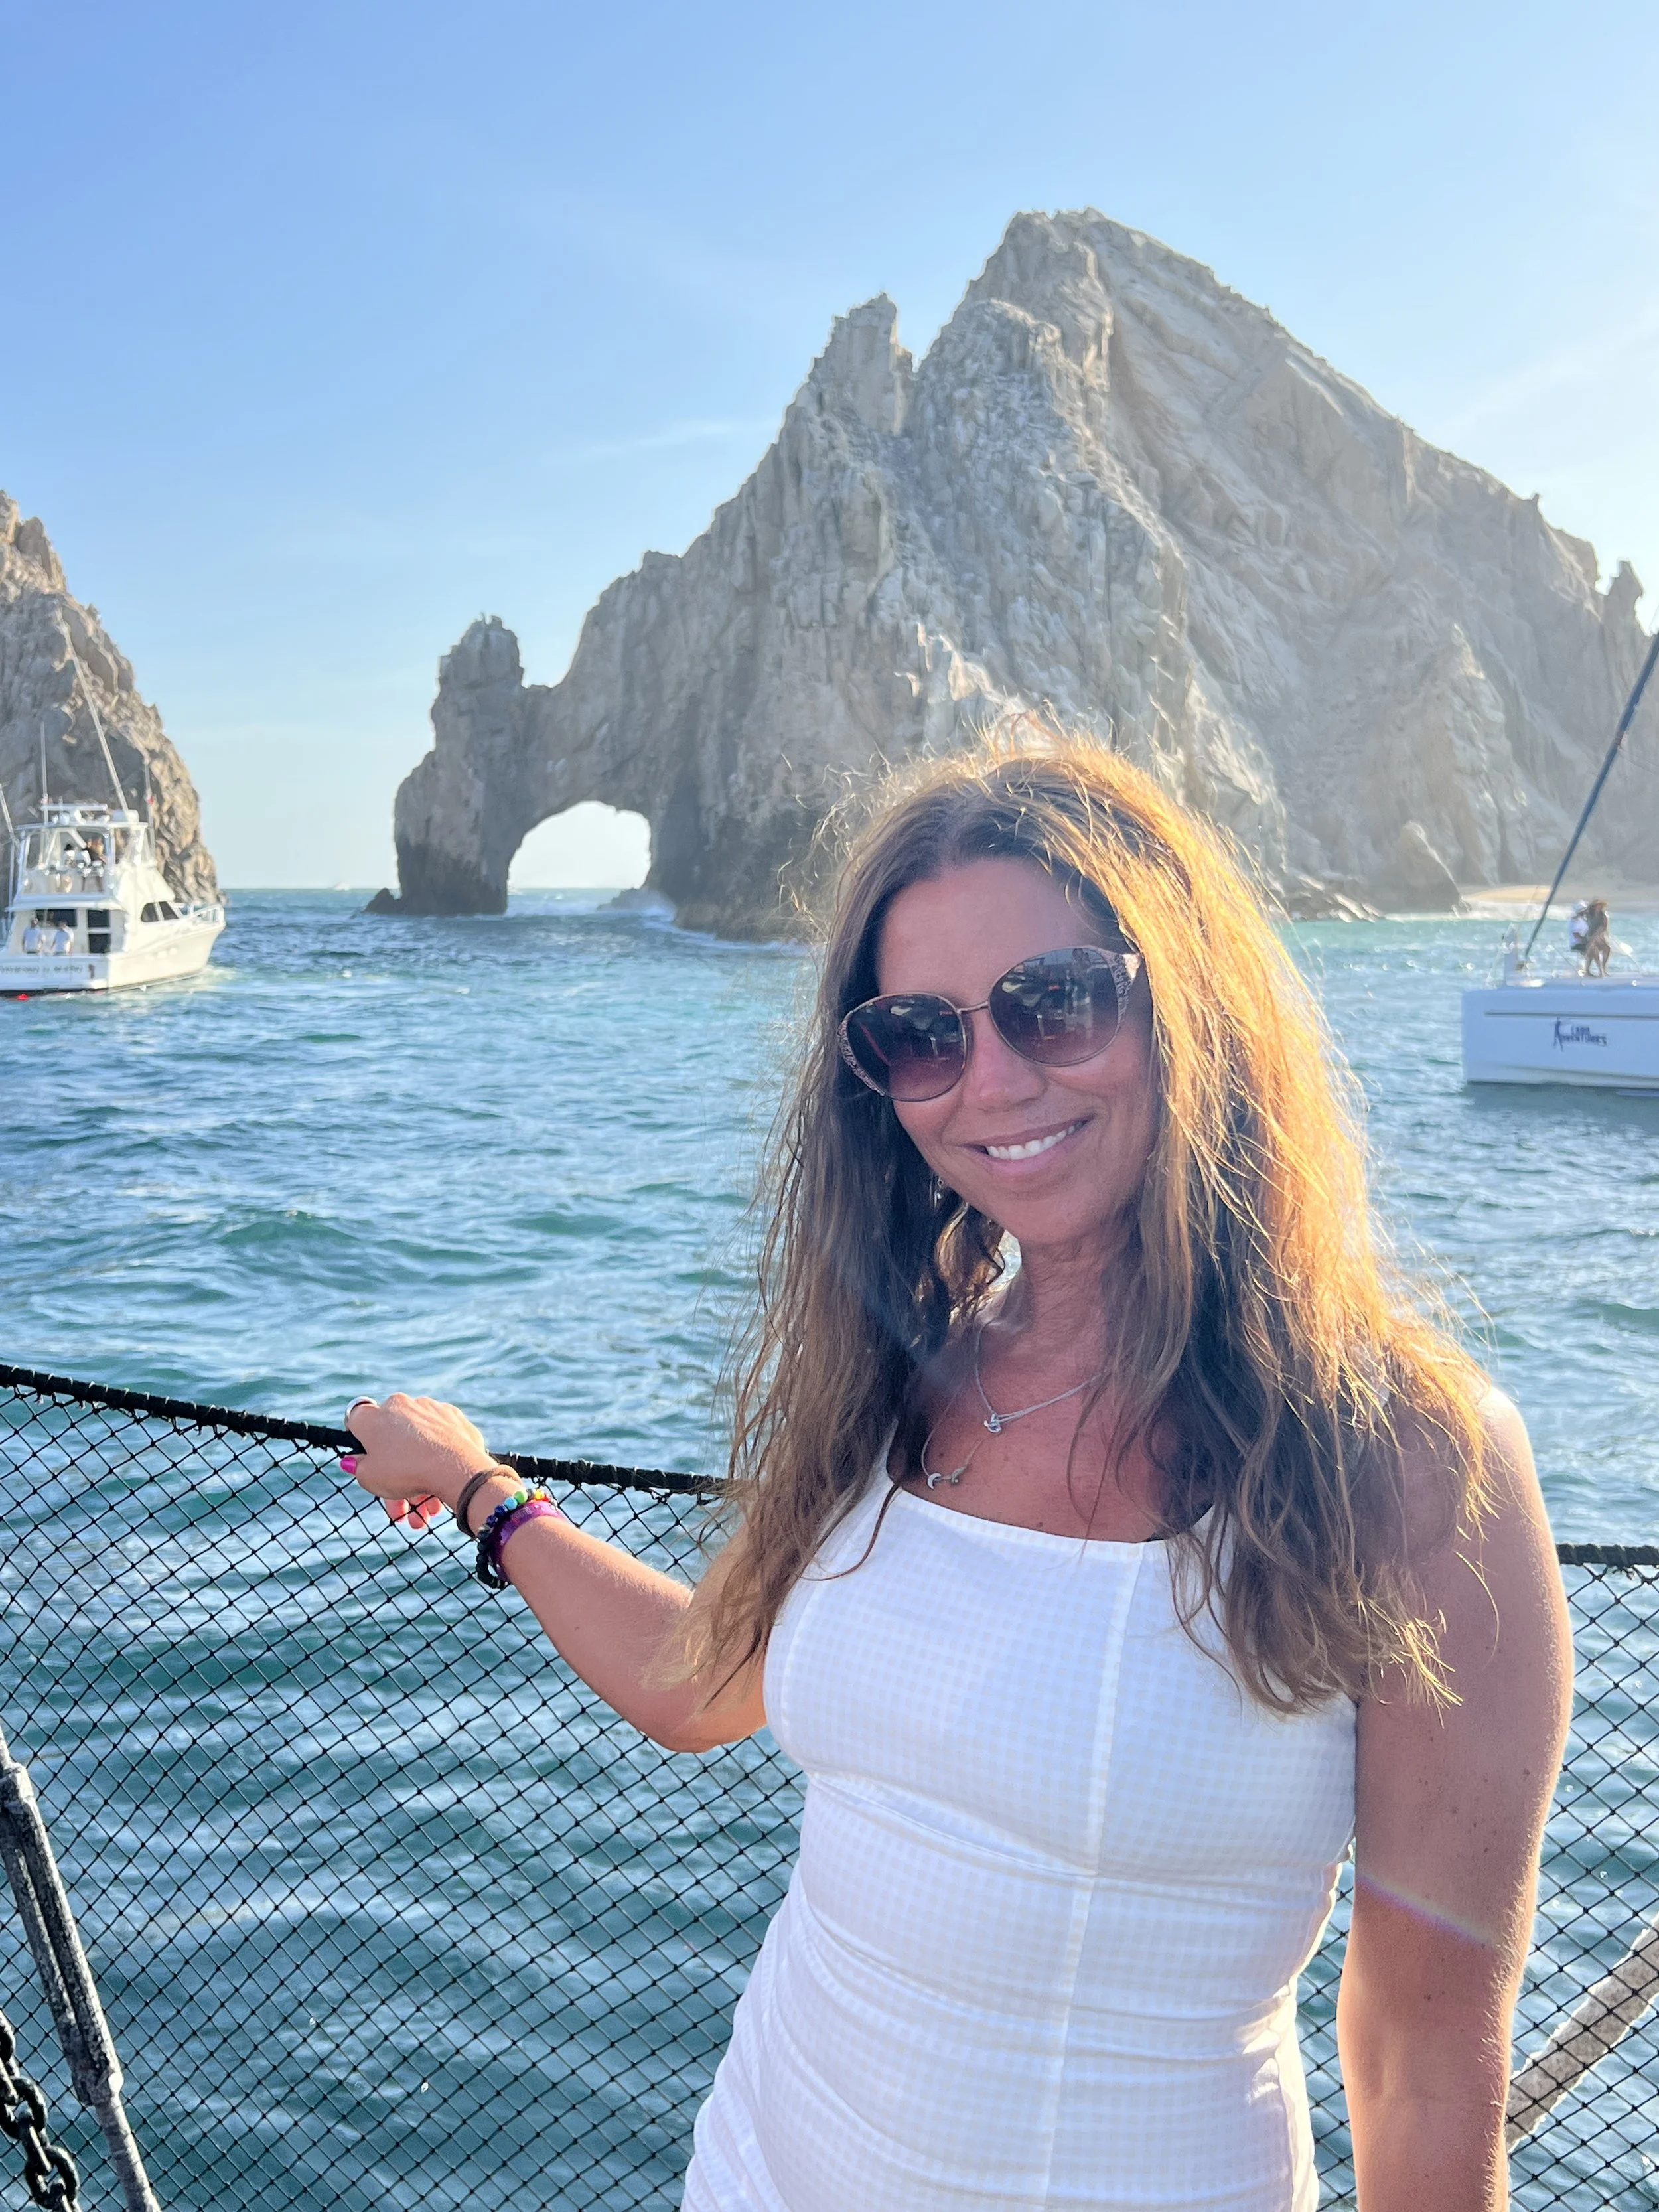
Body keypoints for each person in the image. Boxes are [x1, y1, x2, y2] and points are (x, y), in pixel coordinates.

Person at [345, 732, 1572, 2212]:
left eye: (1053, 1005)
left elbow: (1420, 2071)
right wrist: (487, 1490)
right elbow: (701, 1676)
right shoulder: (896, 1374)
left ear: (1185, 994)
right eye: (918, 1034)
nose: (987, 1081)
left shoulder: (1403, 1460)